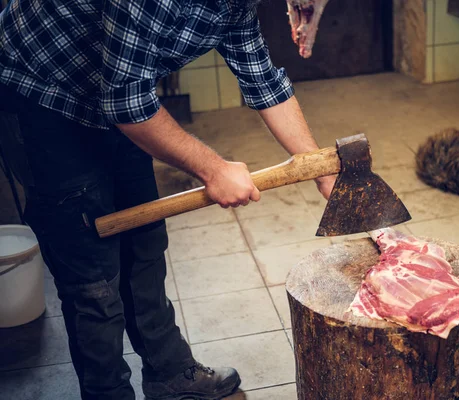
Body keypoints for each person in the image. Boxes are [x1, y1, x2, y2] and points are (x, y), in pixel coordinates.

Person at [0, 0, 336, 398]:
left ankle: (169, 374)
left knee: (145, 245)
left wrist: (321, 168)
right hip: (40, 94)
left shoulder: (237, 6)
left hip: (112, 92)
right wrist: (213, 169)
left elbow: (263, 81)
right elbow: (127, 103)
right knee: (93, 281)